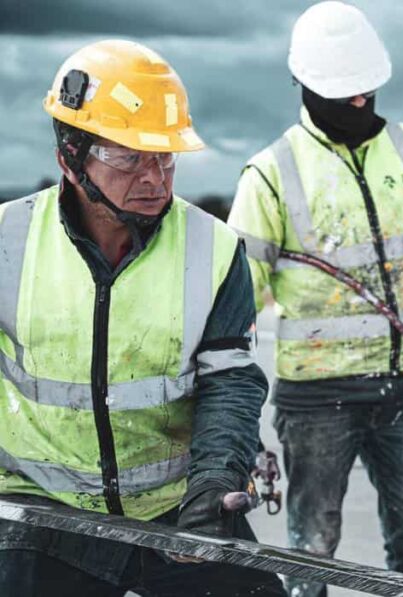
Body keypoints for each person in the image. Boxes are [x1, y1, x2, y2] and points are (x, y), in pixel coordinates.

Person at [0, 40, 285, 595]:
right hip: (43, 510)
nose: (154, 177)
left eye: (165, 157)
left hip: (175, 504)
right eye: (129, 157)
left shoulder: (213, 248)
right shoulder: (7, 242)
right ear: (70, 157)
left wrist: (215, 480)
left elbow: (230, 381)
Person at [227, 3, 403, 595]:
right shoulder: (272, 172)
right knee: (311, 556)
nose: (360, 102)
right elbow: (234, 298)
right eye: (346, 94)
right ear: (305, 84)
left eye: (367, 91)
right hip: (317, 400)